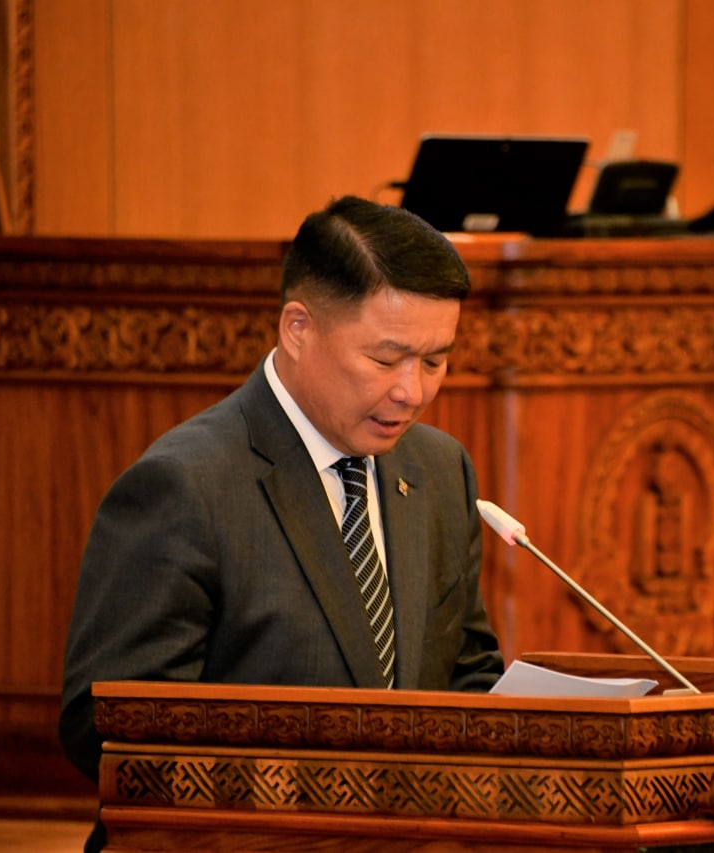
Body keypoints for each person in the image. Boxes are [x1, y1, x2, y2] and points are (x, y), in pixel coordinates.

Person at [58, 195, 505, 799]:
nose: (411, 391)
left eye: (433, 361)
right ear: (298, 329)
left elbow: (466, 674)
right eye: (385, 359)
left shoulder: (440, 468)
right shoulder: (184, 486)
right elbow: (106, 729)